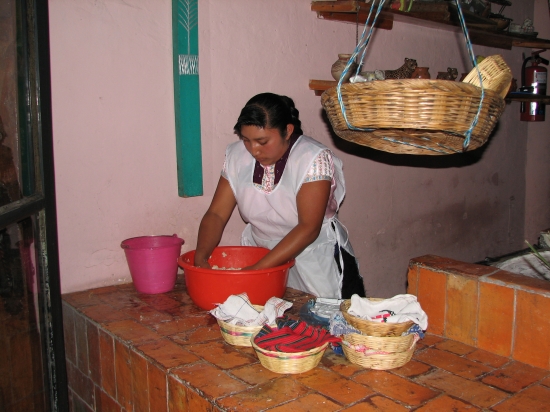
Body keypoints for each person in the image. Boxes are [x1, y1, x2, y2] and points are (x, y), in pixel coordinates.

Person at [194, 93, 365, 299]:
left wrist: (255, 270)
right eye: (246, 140)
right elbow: (216, 214)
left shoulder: (311, 158)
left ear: (288, 131)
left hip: (313, 257)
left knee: (323, 320)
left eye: (262, 141)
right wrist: (201, 258)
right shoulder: (237, 156)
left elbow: (308, 228)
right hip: (262, 253)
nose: (253, 150)